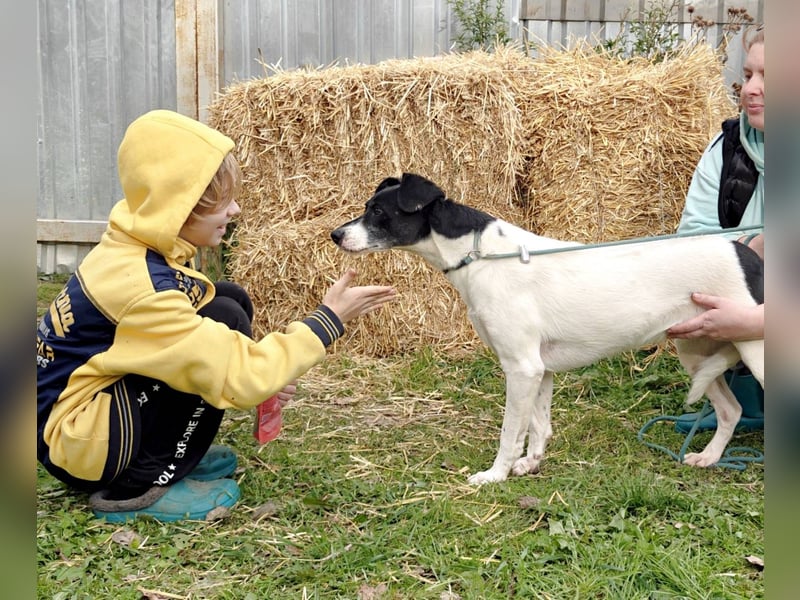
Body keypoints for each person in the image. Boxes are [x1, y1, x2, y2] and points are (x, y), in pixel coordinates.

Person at [36, 109, 398, 522]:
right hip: (81, 447)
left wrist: (268, 378)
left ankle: (161, 453)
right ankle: (137, 486)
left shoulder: (133, 247)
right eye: (220, 202)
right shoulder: (144, 289)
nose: (235, 210)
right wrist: (328, 320)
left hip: (84, 422)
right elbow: (235, 375)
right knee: (219, 326)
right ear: (177, 204)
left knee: (226, 302)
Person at [667, 24, 764, 433]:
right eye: (748, 75)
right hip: (747, 285)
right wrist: (751, 247)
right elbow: (691, 240)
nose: (751, 89)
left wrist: (755, 322)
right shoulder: (726, 148)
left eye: (770, 77)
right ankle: (746, 392)